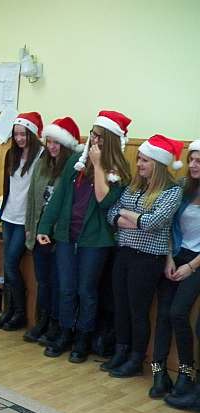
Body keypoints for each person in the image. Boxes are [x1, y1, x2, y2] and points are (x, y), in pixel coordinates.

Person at [37, 110, 131, 362]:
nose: (94, 140)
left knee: (86, 290)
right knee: (66, 288)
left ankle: (83, 338)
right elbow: (58, 197)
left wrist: (98, 165)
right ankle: (65, 332)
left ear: (111, 140)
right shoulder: (75, 162)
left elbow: (105, 202)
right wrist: (44, 226)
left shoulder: (119, 170)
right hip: (67, 234)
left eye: (100, 136)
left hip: (96, 240)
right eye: (93, 134)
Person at [105, 134, 184, 378]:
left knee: (137, 310)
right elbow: (111, 213)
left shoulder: (171, 191)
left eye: (145, 160)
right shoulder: (134, 186)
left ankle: (136, 359)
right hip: (124, 252)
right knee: (120, 305)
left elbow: (153, 222)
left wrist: (126, 215)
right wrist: (133, 219)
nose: (138, 164)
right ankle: (121, 350)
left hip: (148, 259)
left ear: (158, 164)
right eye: (138, 158)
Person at [22, 117, 81, 345]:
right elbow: (32, 199)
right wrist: (30, 229)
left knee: (59, 283)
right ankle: (43, 321)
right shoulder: (41, 164)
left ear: (66, 145)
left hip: (60, 236)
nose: (52, 146)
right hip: (40, 233)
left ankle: (57, 324)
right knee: (43, 281)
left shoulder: (73, 169)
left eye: (57, 142)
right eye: (49, 141)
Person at [151, 139, 200, 402]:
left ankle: (186, 372)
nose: (193, 165)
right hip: (177, 253)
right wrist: (169, 258)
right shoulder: (182, 187)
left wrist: (190, 267)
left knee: (178, 312)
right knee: (163, 313)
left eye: (199, 161)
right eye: (191, 159)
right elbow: (169, 226)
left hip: (197, 262)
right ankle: (158, 372)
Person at [0, 112, 44, 331]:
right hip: (8, 216)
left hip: (25, 220)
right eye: (16, 134)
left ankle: (20, 313)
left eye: (24, 134)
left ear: (32, 133)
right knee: (7, 265)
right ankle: (8, 311)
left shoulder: (41, 157)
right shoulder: (11, 154)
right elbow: (8, 186)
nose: (19, 138)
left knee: (11, 264)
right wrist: (0, 208)